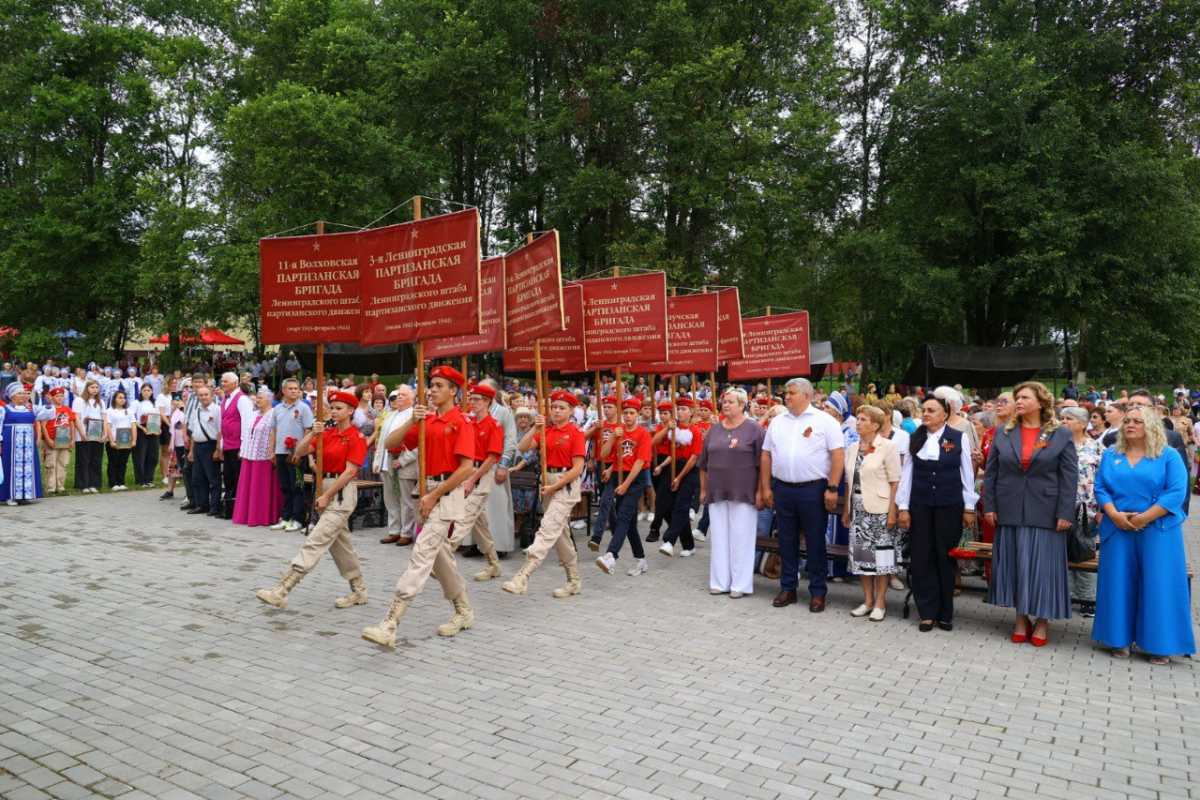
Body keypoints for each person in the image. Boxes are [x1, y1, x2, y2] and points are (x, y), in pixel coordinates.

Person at [362, 366, 478, 648]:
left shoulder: (461, 422)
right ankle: (463, 610)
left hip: (445, 494)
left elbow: (466, 468)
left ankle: (390, 622)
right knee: (440, 558)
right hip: (425, 492)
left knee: (422, 553)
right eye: (432, 385)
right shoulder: (427, 420)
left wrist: (434, 495)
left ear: (453, 391)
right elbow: (390, 443)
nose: (432, 390)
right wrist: (412, 420)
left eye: (439, 385)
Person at [1093, 406, 1194, 664]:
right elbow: (1101, 487)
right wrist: (1114, 514)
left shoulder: (1168, 455)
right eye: (1127, 420)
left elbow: (1176, 492)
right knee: (1118, 583)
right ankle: (1118, 639)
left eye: (1137, 421)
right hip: (1118, 528)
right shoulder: (1111, 454)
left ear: (1151, 426)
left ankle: (1160, 645)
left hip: (1158, 529)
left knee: (1158, 585)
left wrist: (1144, 517)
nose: (1130, 424)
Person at [255, 390, 370, 610]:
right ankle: (359, 590)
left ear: (350, 411)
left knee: (316, 540)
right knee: (341, 546)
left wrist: (327, 495)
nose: (333, 412)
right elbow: (298, 453)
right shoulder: (327, 433)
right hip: (324, 485)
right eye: (332, 408)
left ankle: (282, 589)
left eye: (339, 408)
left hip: (341, 493)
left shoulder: (356, 437)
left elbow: (350, 472)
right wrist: (312, 434)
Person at [981, 381, 1077, 646]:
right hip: (1009, 508)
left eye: (1024, 397)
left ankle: (1043, 621)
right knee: (1015, 565)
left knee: (1044, 568)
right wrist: (989, 506)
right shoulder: (1004, 432)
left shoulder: (1060, 434)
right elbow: (991, 473)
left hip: (1047, 511)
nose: (1019, 402)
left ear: (1041, 402)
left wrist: (1065, 512)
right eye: (1017, 398)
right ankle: (1021, 618)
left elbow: (1069, 477)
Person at [760, 377, 845, 612]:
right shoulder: (778, 422)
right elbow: (766, 454)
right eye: (786, 393)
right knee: (786, 540)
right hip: (783, 488)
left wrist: (832, 487)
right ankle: (788, 587)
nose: (786, 396)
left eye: (792, 393)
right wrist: (766, 487)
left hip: (813, 489)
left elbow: (838, 455)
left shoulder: (825, 421)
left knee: (815, 541)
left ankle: (817, 592)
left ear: (807, 396)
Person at [895, 395, 978, 631]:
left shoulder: (958, 437)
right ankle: (927, 612)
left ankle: (945, 612)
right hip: (920, 505)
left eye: (932, 410)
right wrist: (903, 507)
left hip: (949, 505)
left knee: (945, 557)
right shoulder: (916, 437)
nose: (926, 413)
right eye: (924, 410)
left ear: (945, 414)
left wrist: (969, 507)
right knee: (922, 557)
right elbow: (907, 475)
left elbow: (966, 474)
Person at [501, 389, 587, 598]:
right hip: (547, 482)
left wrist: (555, 487)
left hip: (565, 484)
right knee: (560, 535)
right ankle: (574, 580)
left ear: (571, 411)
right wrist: (535, 427)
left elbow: (577, 468)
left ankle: (522, 577)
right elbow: (522, 447)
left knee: (547, 528)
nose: (556, 411)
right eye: (554, 407)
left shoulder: (575, 433)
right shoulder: (546, 430)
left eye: (561, 408)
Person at [699, 388, 765, 598]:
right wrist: (703, 489)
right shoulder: (714, 430)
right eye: (724, 401)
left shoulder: (754, 429)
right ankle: (720, 581)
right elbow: (703, 464)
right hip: (717, 491)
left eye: (730, 402)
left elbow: (763, 464)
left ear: (742, 405)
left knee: (741, 538)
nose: (725, 405)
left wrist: (761, 491)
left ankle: (740, 584)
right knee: (719, 538)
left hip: (743, 492)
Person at [842, 405, 901, 620]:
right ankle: (867, 600)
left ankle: (880, 603)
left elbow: (895, 482)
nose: (858, 422)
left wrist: (893, 512)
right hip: (858, 508)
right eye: (857, 418)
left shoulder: (888, 446)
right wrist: (847, 509)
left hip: (880, 510)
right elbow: (849, 481)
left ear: (875, 425)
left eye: (863, 419)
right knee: (862, 557)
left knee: (881, 558)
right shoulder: (852, 448)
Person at [452, 382, 506, 581]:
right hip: (467, 471)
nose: (472, 403)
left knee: (464, 517)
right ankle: (493, 565)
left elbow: (491, 458)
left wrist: (472, 479)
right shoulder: (469, 423)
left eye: (476, 400)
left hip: (482, 474)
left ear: (487, 402)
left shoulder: (494, 425)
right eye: (471, 399)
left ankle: (444, 557)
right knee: (480, 524)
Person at [595, 396, 653, 576]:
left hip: (634, 479)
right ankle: (641, 560)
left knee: (623, 517)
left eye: (631, 413)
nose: (628, 416)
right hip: (617, 475)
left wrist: (626, 485)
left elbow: (640, 462)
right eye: (625, 412)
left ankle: (611, 555)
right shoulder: (617, 431)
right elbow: (604, 455)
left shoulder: (643, 433)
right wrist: (613, 437)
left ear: (637, 414)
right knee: (630, 523)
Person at [1060, 406, 1102, 616]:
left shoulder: (1097, 447)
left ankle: (1087, 599)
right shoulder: (1056, 445)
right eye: (1062, 418)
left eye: (1069, 419)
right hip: (1061, 508)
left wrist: (1102, 509)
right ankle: (1065, 595)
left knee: (1085, 552)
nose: (1063, 422)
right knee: (1062, 552)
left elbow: (1104, 479)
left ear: (1083, 424)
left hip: (1088, 510)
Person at [658, 397, 702, 557]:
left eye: (684, 409)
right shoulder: (673, 429)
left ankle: (669, 541)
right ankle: (689, 545)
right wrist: (663, 466)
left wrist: (679, 478)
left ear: (691, 412)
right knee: (667, 507)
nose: (680, 412)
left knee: (681, 506)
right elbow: (666, 450)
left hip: (689, 471)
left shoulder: (695, 431)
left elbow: (693, 458)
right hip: (673, 468)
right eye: (679, 409)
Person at [270, 378, 315, 533]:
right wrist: (272, 451)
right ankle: (286, 517)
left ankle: (298, 519)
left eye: (296, 388)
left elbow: (308, 430)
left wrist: (300, 451)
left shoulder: (304, 408)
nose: (294, 391)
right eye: (290, 388)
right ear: (283, 391)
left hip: (297, 454)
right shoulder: (277, 408)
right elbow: (274, 430)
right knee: (285, 486)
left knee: (297, 486)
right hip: (281, 452)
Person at [233, 387, 283, 527]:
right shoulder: (254, 414)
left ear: (269, 399)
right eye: (257, 397)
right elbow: (247, 433)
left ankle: (261, 516)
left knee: (261, 488)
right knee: (248, 487)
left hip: (264, 456)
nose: (257, 400)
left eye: (260, 398)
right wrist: (243, 449)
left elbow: (276, 433)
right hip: (250, 455)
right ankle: (247, 514)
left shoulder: (273, 414)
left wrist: (272, 451)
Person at [376, 385, 418, 546]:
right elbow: (382, 440)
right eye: (398, 395)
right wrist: (378, 460)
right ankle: (394, 530)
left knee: (406, 500)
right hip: (387, 460)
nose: (399, 397)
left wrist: (403, 460)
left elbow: (419, 445)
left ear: (412, 399)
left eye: (403, 395)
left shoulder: (415, 415)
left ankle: (406, 532)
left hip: (405, 462)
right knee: (390, 498)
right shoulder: (390, 415)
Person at [0, 383, 47, 505]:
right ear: (12, 396)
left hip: (28, 446)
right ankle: (10, 496)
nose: (23, 395)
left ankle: (25, 495)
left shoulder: (30, 409)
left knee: (27, 468)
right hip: (11, 444)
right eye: (19, 393)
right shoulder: (4, 410)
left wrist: (48, 402)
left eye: (24, 393)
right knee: (10, 467)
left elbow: (48, 413)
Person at [218, 371, 253, 517]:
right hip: (228, 444)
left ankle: (238, 509)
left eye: (225, 381)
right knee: (228, 477)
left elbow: (247, 423)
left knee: (237, 477)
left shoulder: (242, 399)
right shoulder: (225, 399)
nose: (223, 384)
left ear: (234, 383)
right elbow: (223, 423)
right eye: (222, 381)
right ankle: (229, 508)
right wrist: (221, 445)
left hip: (237, 445)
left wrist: (244, 446)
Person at [186, 384, 222, 516]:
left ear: (211, 395)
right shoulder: (196, 411)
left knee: (213, 478)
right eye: (200, 395)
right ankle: (202, 505)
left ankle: (215, 506)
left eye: (206, 394)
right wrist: (191, 451)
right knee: (197, 478)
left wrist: (218, 449)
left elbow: (220, 431)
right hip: (198, 446)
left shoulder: (217, 410)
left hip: (211, 446)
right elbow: (194, 432)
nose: (203, 397)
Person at [509, 408, 540, 547]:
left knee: (529, 504)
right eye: (520, 417)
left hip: (529, 472)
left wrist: (517, 466)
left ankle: (528, 528)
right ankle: (518, 525)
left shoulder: (534, 433)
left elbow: (531, 454)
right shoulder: (512, 434)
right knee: (516, 503)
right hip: (513, 474)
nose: (523, 419)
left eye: (525, 417)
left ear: (529, 419)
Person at [72, 379, 106, 494]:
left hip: (97, 435)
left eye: (96, 387)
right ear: (86, 388)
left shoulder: (101, 402)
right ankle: (83, 484)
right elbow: (77, 418)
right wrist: (82, 433)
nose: (95, 390)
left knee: (96, 460)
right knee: (83, 460)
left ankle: (94, 483)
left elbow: (104, 418)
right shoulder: (79, 400)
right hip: (83, 435)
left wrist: (105, 433)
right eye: (92, 387)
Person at [40, 387, 74, 494]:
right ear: (52, 397)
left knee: (63, 463)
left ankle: (60, 485)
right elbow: (43, 426)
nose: (60, 398)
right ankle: (51, 487)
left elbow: (72, 425)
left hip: (64, 440)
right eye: (57, 396)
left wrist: (72, 439)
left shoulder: (67, 409)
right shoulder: (48, 409)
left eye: (61, 396)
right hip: (52, 440)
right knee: (51, 464)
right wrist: (48, 439)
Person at [105, 389, 136, 491]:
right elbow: (108, 426)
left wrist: (134, 440)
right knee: (113, 461)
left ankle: (121, 482)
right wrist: (111, 440)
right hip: (114, 440)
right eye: (120, 398)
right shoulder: (109, 411)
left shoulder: (129, 411)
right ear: (114, 399)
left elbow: (133, 425)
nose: (122, 400)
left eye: (124, 398)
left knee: (123, 462)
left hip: (126, 440)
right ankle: (113, 483)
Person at [131, 383, 160, 488]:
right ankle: (141, 480)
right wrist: (142, 428)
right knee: (140, 455)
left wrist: (159, 428)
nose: (147, 392)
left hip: (153, 429)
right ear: (141, 391)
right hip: (141, 429)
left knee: (153, 455)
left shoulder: (155, 403)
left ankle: (149, 478)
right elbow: (132, 418)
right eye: (144, 390)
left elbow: (158, 416)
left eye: (149, 390)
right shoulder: (136, 403)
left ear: (152, 392)